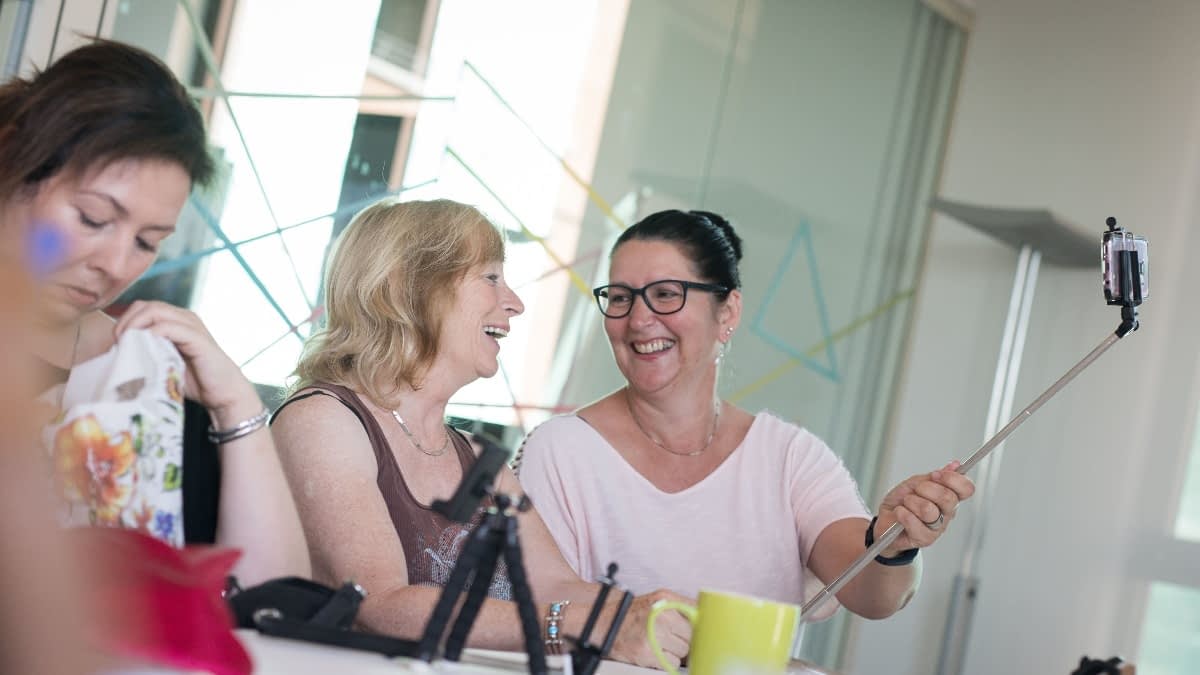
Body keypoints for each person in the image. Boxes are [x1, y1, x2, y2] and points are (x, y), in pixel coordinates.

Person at [271, 198, 692, 667]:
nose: (514, 302)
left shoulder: (476, 457)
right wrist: (576, 625)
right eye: (490, 277)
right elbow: (380, 605)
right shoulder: (324, 420)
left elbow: (556, 586)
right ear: (407, 287)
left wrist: (655, 618)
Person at [518, 209, 976, 621]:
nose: (638, 319)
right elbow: (533, 609)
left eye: (665, 294)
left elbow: (872, 594)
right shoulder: (560, 452)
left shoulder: (789, 459)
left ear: (728, 311)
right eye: (620, 298)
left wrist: (893, 543)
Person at [0, 39, 308, 585]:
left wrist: (233, 404)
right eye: (93, 219)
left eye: (147, 241)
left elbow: (266, 595)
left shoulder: (141, 374)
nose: (116, 265)